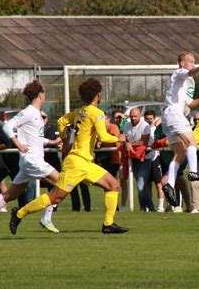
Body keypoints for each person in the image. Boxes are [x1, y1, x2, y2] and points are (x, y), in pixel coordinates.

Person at [9, 78, 128, 234]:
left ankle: (108, 224)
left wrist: (65, 142)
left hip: (84, 162)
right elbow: (104, 137)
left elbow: (61, 121)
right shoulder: (97, 113)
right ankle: (19, 214)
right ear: (98, 95)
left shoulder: (80, 112)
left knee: (113, 185)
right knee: (55, 198)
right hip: (77, 164)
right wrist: (119, 138)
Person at [0, 80, 61, 236]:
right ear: (41, 94)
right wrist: (18, 144)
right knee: (62, 183)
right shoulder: (29, 112)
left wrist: (52, 142)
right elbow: (7, 126)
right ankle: (45, 218)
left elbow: (35, 138)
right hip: (32, 160)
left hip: (29, 161)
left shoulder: (37, 115)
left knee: (10, 195)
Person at [161, 51, 199, 207]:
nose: (192, 63)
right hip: (174, 114)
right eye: (190, 61)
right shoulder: (179, 73)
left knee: (180, 153)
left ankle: (169, 184)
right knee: (192, 143)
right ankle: (193, 173)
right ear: (182, 63)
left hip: (170, 116)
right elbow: (190, 71)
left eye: (194, 61)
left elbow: (190, 104)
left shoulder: (189, 82)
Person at [0, 118, 35, 211]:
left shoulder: (3, 132)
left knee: (19, 186)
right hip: (0, 167)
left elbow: (8, 144)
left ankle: (23, 207)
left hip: (12, 165)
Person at [122, 108, 154, 212]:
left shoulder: (145, 126)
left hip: (145, 157)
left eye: (135, 116)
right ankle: (143, 208)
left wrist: (130, 144)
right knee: (141, 185)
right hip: (133, 158)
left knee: (141, 185)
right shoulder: (127, 125)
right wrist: (126, 143)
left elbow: (143, 142)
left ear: (139, 116)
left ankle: (151, 207)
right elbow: (124, 138)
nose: (133, 118)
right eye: (131, 116)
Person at [144, 110, 165, 212]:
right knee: (148, 184)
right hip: (145, 158)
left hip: (155, 158)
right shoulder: (143, 129)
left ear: (154, 118)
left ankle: (160, 206)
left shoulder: (156, 129)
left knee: (159, 183)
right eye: (147, 118)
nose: (149, 120)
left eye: (150, 119)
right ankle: (149, 205)